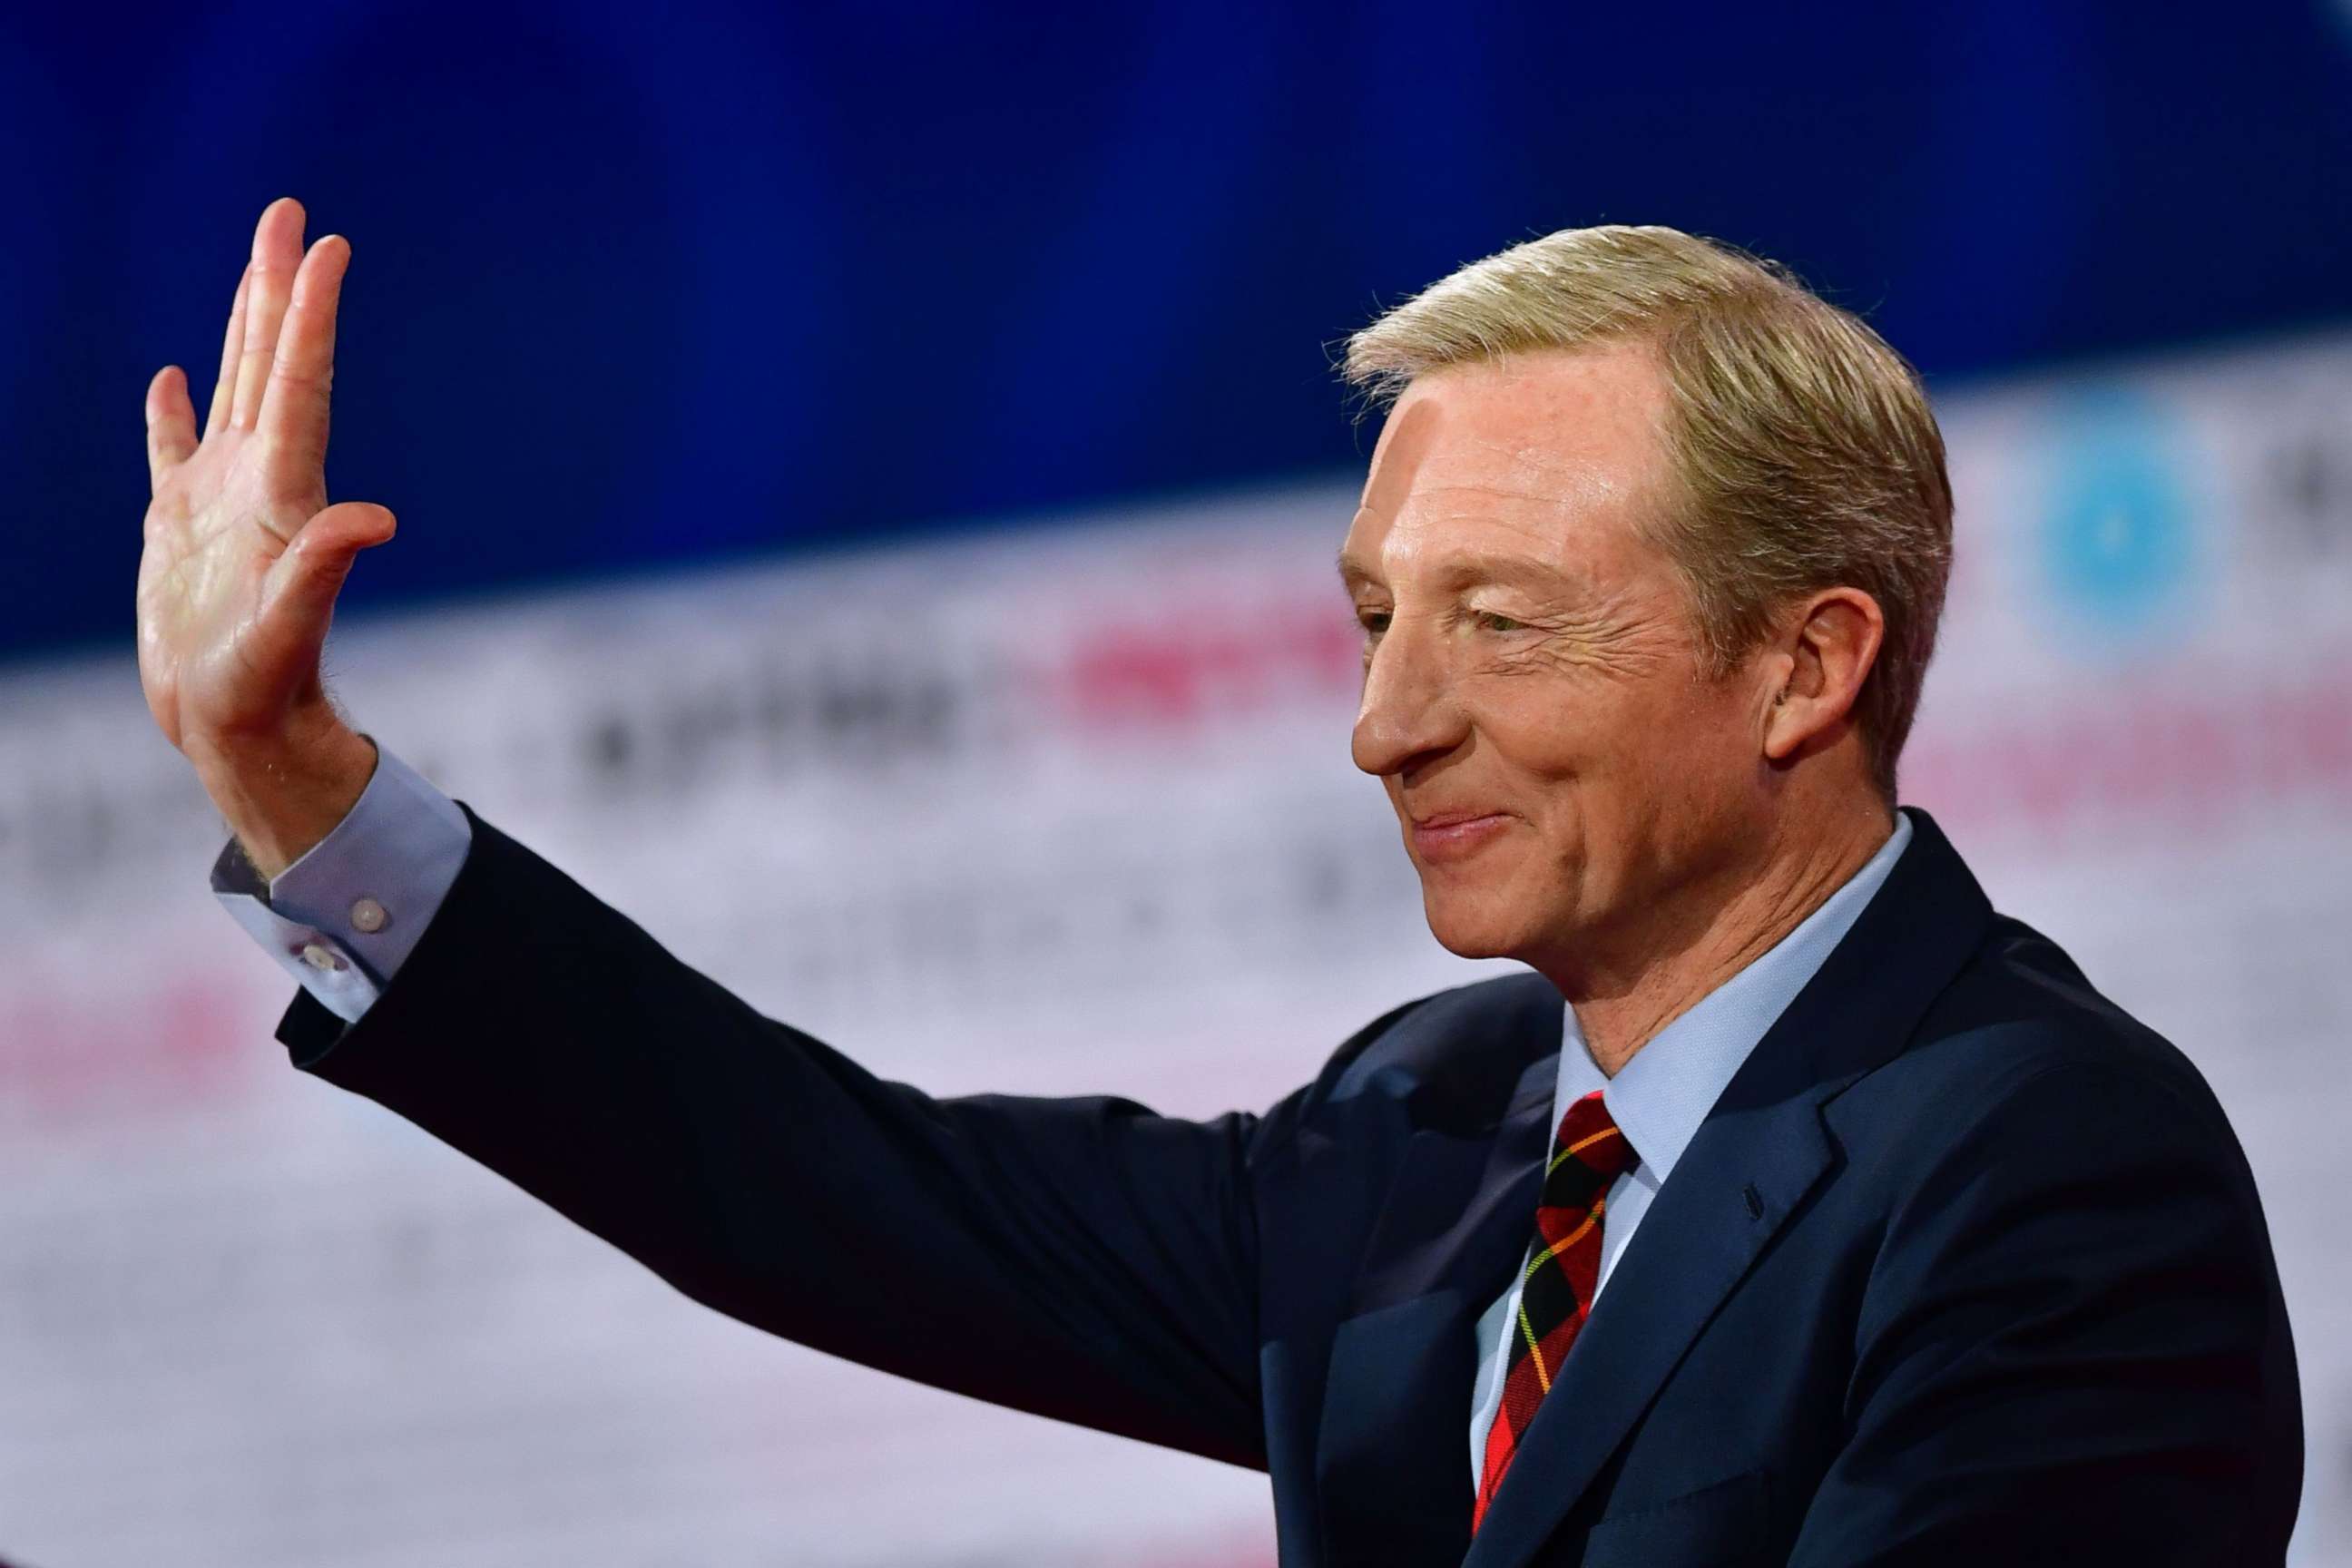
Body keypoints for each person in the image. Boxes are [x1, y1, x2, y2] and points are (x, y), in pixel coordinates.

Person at [137, 198, 2303, 1567]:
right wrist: (301, 782)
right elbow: (819, 1186)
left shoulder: (2044, 1163)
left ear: (1805, 665)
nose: (1386, 725)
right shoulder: (1439, 1125)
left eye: (1505, 622)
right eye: (1378, 619)